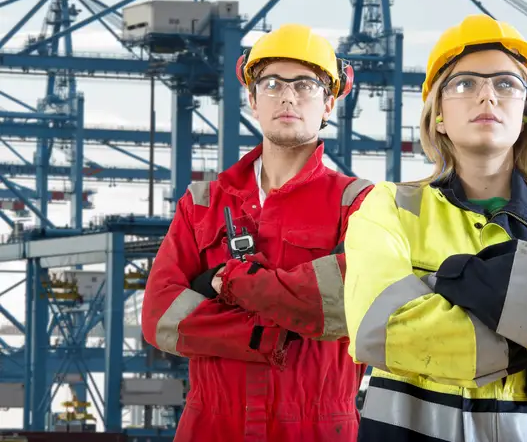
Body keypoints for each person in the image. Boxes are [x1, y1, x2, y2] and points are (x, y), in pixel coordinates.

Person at [343, 14, 527, 442]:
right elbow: (381, 330)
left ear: (526, 113)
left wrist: (460, 286)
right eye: (464, 84)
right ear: (438, 117)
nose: (487, 95)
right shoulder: (388, 208)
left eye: (506, 84)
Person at [141, 23, 373, 442]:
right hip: (211, 423)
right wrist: (268, 331)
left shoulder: (358, 203)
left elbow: (343, 308)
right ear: (251, 99)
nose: (287, 96)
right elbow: (160, 318)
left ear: (329, 103)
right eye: (271, 84)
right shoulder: (202, 202)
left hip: (319, 425)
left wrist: (226, 281)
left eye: (305, 84)